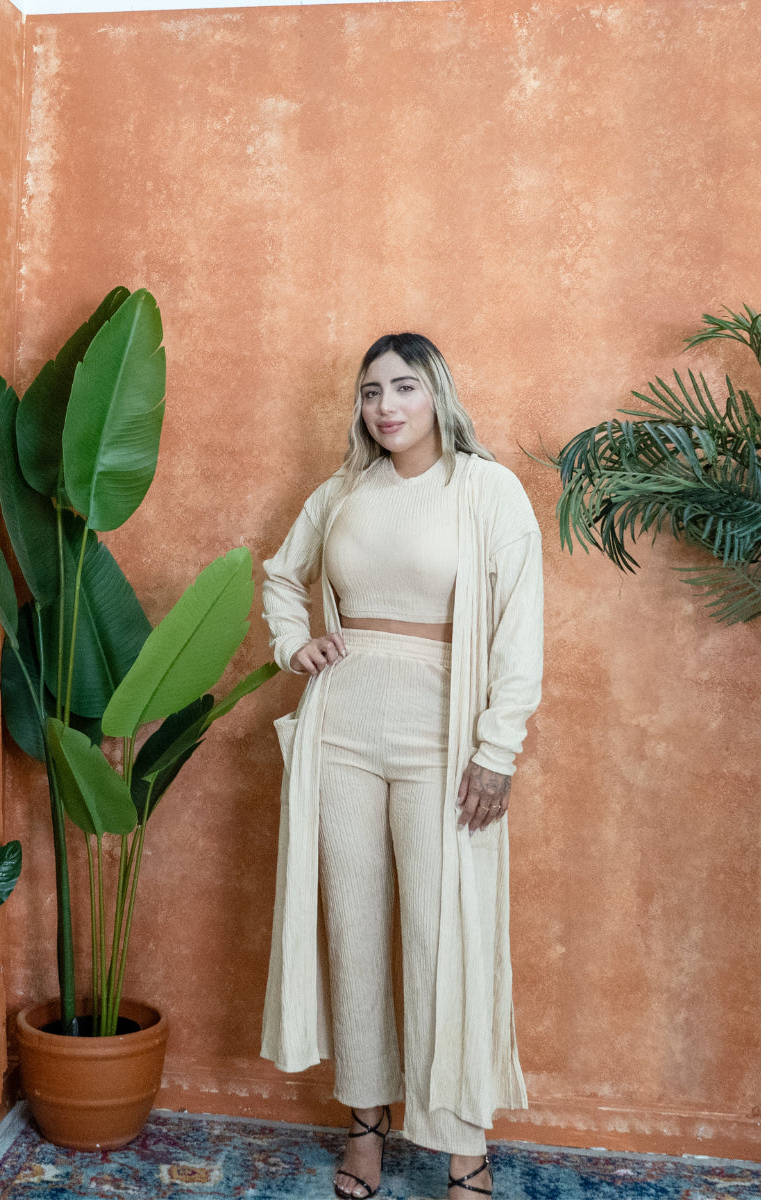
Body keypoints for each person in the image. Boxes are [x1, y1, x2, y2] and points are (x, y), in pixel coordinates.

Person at [260, 333, 543, 1199]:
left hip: (443, 740)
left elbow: (519, 629)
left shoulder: (486, 489)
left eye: (404, 388)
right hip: (340, 726)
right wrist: (293, 644)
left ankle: (463, 1145)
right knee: (353, 927)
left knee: (441, 931)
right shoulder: (344, 490)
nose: (385, 407)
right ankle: (367, 1124)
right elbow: (280, 576)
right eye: (371, 391)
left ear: (437, 396)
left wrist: (499, 751)